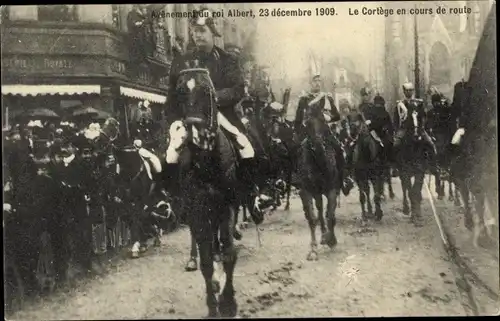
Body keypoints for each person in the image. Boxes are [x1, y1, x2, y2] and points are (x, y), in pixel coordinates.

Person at [164, 7, 271, 211]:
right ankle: (168, 201)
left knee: (247, 145)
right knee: (171, 152)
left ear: (213, 32)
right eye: (194, 30)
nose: (197, 35)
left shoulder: (227, 60)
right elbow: (171, 97)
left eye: (202, 31)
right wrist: (175, 121)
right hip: (189, 117)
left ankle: (253, 195)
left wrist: (214, 97)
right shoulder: (181, 62)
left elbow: (238, 89)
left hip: (220, 115)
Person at [294, 73, 353, 195]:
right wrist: (302, 129)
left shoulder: (327, 97)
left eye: (319, 81)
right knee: (298, 152)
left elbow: (336, 116)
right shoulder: (304, 99)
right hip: (309, 132)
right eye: (315, 81)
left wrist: (328, 118)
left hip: (325, 131)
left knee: (339, 149)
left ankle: (344, 179)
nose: (317, 83)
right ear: (310, 83)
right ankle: (298, 181)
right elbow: (298, 120)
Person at [393, 82, 437, 157]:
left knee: (431, 144)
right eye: (407, 90)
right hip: (405, 128)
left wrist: (422, 127)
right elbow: (396, 119)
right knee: (395, 145)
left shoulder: (419, 103)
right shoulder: (400, 104)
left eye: (411, 90)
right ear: (404, 91)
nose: (409, 92)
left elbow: (423, 116)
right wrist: (397, 130)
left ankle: (434, 162)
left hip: (418, 128)